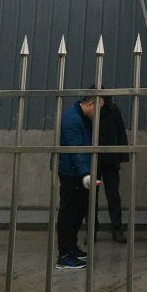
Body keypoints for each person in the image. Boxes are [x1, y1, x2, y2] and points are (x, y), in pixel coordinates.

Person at [55, 94, 104, 270]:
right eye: (98, 109)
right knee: (69, 212)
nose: (99, 113)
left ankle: (71, 248)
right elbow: (77, 149)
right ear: (90, 104)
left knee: (77, 212)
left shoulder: (81, 118)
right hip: (71, 172)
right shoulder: (72, 120)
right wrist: (85, 173)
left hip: (76, 171)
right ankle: (64, 255)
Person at [94, 92, 129, 244]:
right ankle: (92, 230)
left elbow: (120, 130)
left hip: (109, 158)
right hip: (95, 158)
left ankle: (117, 229)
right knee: (91, 197)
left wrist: (123, 154)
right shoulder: (94, 110)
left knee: (113, 195)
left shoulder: (113, 110)